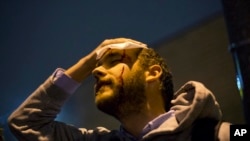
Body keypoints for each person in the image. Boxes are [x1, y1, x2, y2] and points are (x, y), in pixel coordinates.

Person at [8, 38, 230, 141]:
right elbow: (25, 124)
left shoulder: (219, 135)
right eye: (96, 68)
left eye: (113, 61)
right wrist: (87, 62)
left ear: (152, 73)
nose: (96, 72)